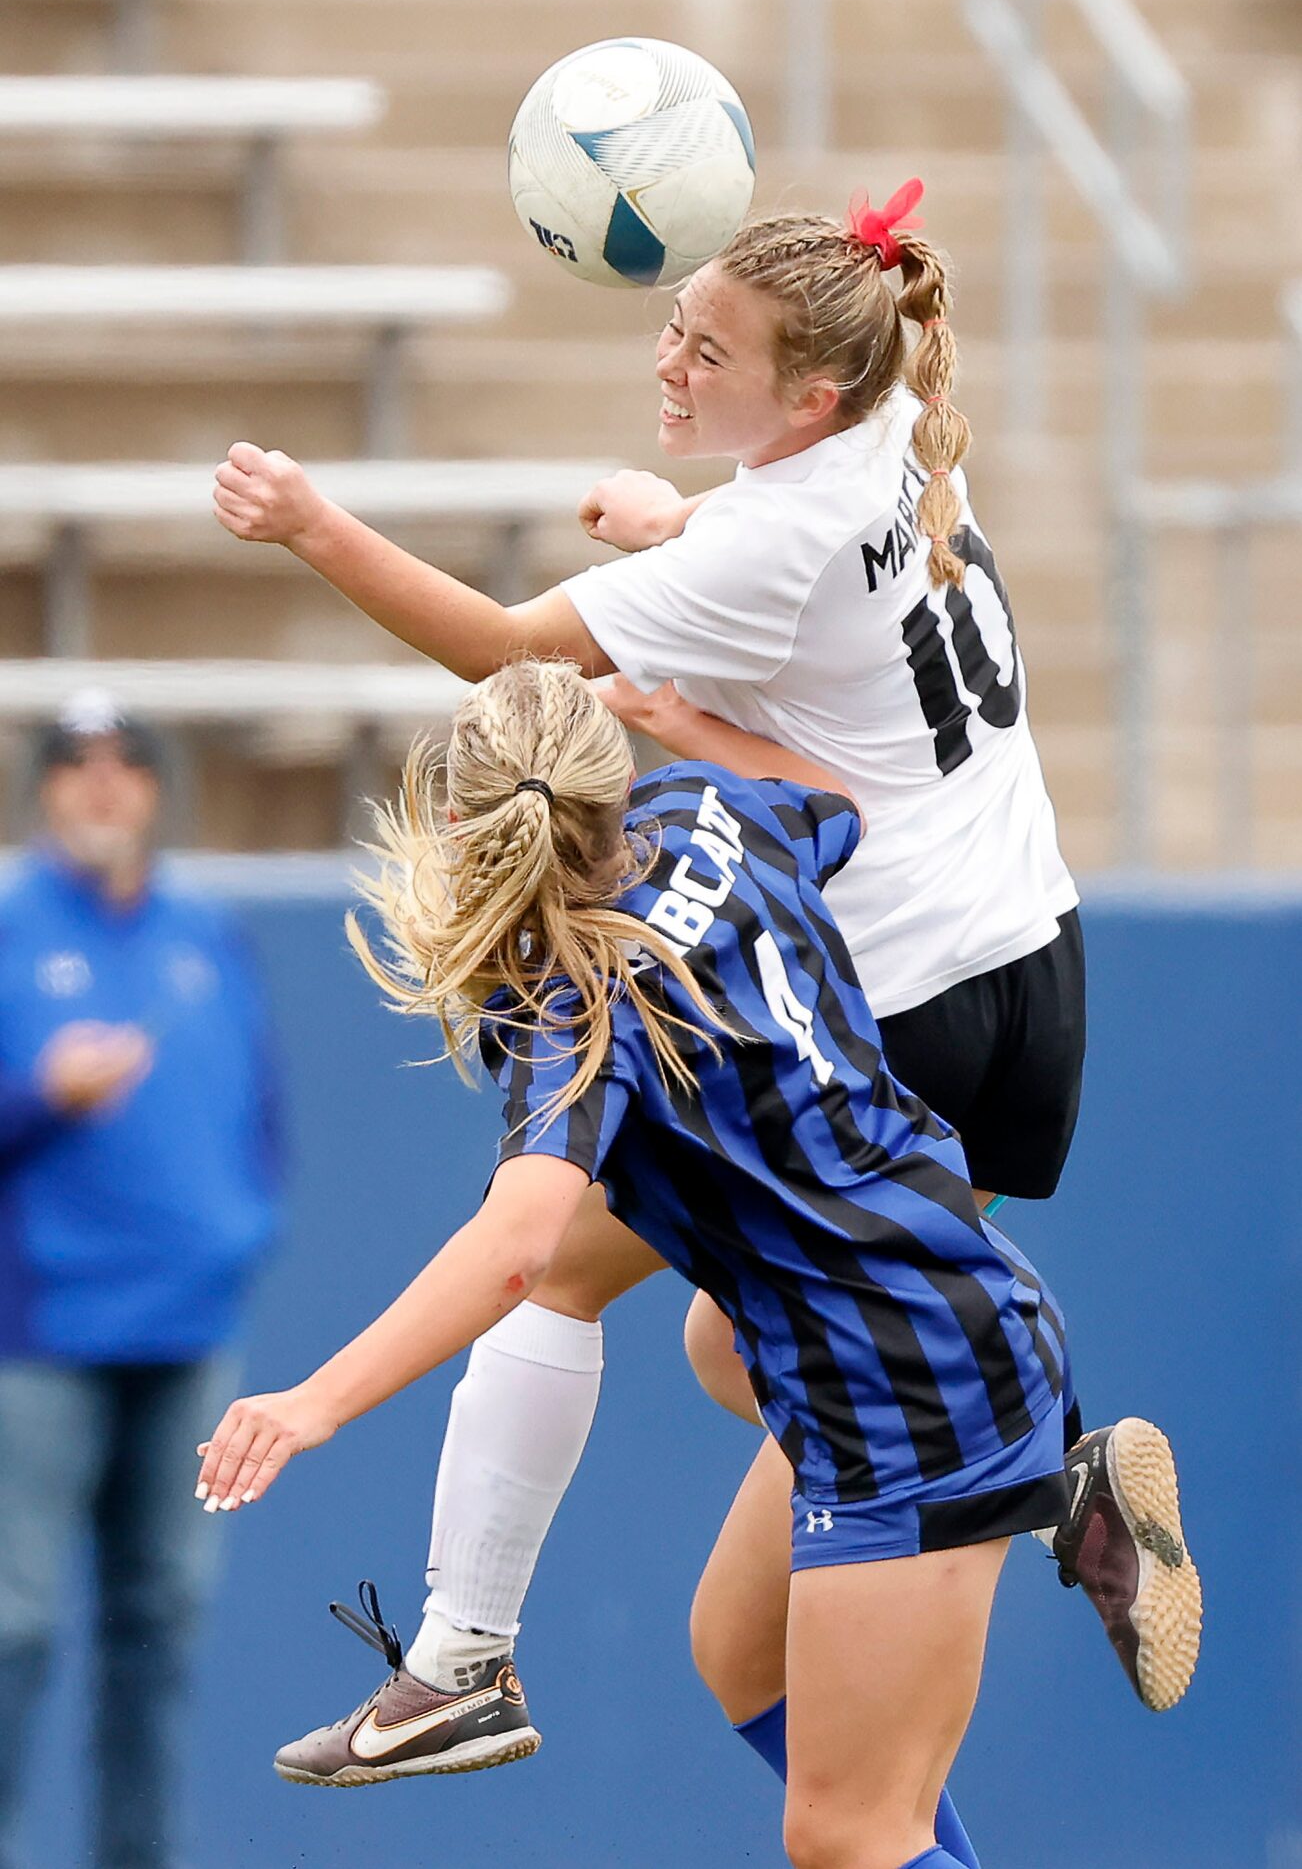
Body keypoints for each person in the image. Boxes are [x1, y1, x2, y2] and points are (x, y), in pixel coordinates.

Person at [209, 179, 1199, 1774]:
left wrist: (311, 523)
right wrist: (677, 539)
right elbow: (821, 649)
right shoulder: (893, 427)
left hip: (906, 992)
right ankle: (1045, 1473)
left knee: (566, 1271)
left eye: (705, 345)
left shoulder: (763, 544)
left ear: (807, 392)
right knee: (736, 1356)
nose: (668, 358)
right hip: (1029, 974)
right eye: (672, 322)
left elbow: (505, 650)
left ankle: (465, 1653)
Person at [193, 662, 1193, 1869]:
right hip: (924, 1323)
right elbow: (848, 803)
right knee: (739, 1650)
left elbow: (517, 1246)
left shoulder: (575, 1002)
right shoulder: (715, 811)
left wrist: (311, 1403)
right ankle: (1054, 1494)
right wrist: (691, 722)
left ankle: (460, 1660)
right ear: (616, 785)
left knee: (846, 1836)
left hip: (909, 1388)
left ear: (461, 824)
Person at [0, 691, 283, 1869]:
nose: (101, 784)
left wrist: (238, 1233)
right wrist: (36, 1099)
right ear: (46, 788)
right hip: (39, 1339)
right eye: (74, 764)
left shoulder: (205, 935)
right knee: (13, 1627)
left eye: (125, 763)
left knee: (160, 1630)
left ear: (159, 788)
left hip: (189, 1334)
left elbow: (261, 1120)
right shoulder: (10, 930)